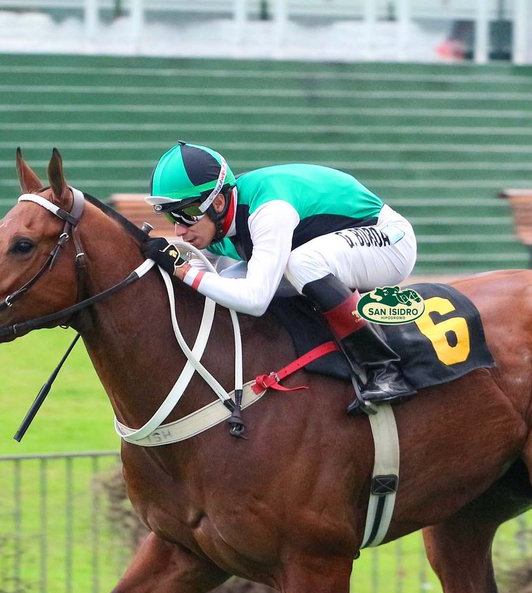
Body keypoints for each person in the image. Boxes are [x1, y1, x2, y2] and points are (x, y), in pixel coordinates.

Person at [142, 142, 417, 411]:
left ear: (219, 202)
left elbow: (255, 299)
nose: (179, 230)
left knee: (301, 264)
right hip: (334, 246)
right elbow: (206, 284)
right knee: (228, 278)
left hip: (388, 241)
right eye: (171, 217)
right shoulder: (216, 222)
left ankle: (383, 368)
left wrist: (183, 269)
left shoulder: (269, 211)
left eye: (186, 214)